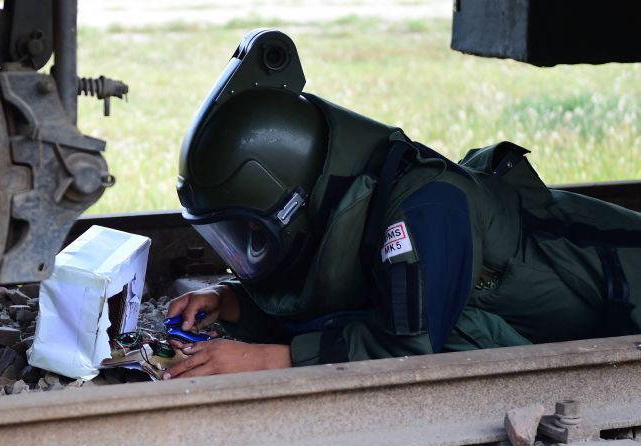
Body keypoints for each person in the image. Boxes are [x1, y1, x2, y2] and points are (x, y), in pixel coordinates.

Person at [163, 29, 641, 380]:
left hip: (625, 297)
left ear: (301, 200)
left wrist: (265, 359)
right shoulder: (351, 203)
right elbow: (338, 294)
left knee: (447, 335)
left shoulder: (426, 209)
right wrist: (233, 304)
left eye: (250, 234)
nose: (244, 250)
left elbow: (407, 348)